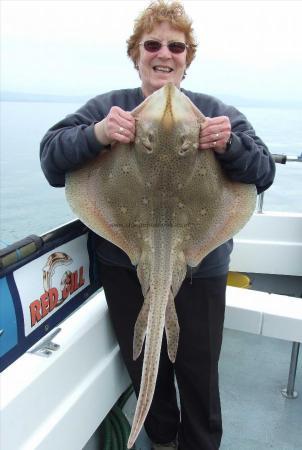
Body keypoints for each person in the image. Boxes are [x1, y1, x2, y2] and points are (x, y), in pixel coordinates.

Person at [40, 1, 275, 449]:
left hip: (198, 267)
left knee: (199, 370)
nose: (163, 53)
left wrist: (230, 144)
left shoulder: (213, 111)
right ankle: (161, 437)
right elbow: (52, 160)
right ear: (136, 54)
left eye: (176, 46)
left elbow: (262, 172)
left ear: (187, 59)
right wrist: (98, 135)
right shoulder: (108, 109)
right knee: (146, 358)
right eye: (152, 44)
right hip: (127, 261)